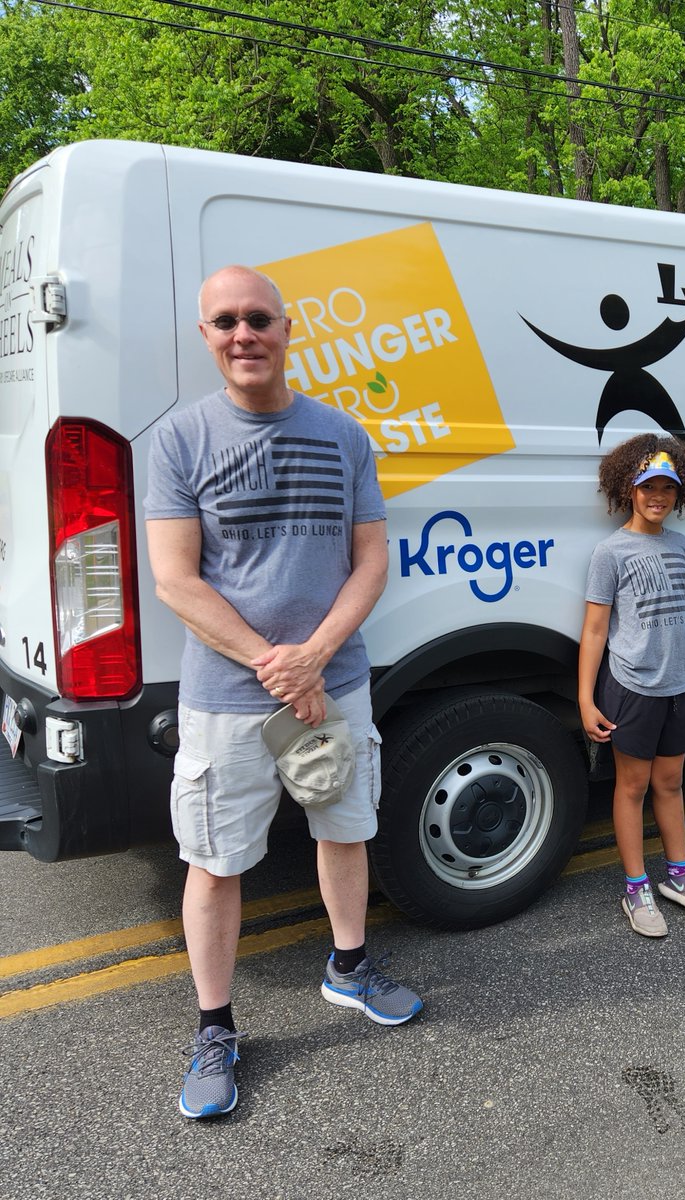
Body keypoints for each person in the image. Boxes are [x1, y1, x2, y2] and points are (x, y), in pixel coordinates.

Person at [145, 265, 422, 1120]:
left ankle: (348, 969)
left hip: (332, 686)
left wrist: (318, 656)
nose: (243, 334)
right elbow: (175, 580)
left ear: (287, 327)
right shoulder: (180, 440)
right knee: (216, 863)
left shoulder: (344, 435)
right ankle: (217, 1029)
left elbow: (371, 558)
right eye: (224, 321)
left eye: (257, 318)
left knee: (343, 833)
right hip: (229, 701)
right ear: (205, 337)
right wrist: (277, 663)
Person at [577, 433, 685, 938]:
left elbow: (684, 618)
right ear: (628, 489)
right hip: (632, 687)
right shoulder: (609, 552)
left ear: (681, 493)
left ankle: (679, 876)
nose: (658, 496)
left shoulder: (681, 544)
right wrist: (586, 698)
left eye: (668, 488)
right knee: (632, 786)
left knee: (671, 783)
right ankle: (636, 887)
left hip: (678, 686)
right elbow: (595, 630)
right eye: (648, 486)